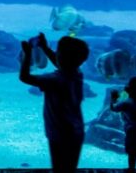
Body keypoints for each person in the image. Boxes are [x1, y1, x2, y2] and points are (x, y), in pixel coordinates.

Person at [19, 32, 89, 173]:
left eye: (58, 52)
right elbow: (62, 63)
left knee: (59, 169)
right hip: (76, 131)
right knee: (69, 169)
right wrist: (45, 48)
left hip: (58, 132)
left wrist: (27, 55)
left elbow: (24, 77)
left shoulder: (53, 80)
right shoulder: (77, 74)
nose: (56, 54)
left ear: (61, 57)